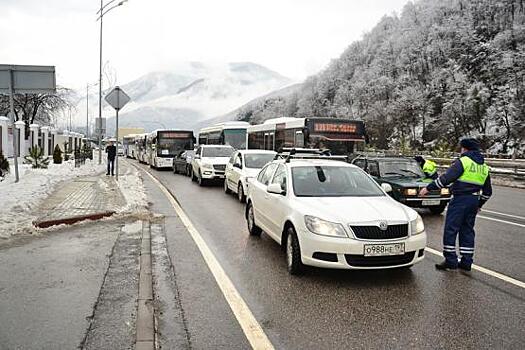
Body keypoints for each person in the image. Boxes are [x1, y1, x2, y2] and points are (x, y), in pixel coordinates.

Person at [419, 138, 492, 271]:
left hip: (460, 200)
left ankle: (451, 261)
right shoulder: (484, 166)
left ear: (465, 149)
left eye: (461, 148)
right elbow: (488, 191)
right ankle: (466, 262)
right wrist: (479, 204)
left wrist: (428, 188)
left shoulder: (463, 161)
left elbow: (446, 179)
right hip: (473, 201)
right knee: (467, 231)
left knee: (451, 230)